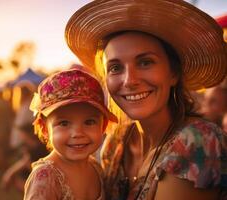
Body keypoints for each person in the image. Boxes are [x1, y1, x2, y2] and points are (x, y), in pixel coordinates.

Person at [65, 0, 227, 199]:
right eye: (115, 68)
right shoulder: (116, 144)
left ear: (174, 73)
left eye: (145, 62)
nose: (129, 80)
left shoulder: (198, 141)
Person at [24, 68, 117, 199]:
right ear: (44, 128)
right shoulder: (45, 178)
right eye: (64, 123)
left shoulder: (95, 167)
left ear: (103, 126)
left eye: (89, 122)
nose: (78, 133)